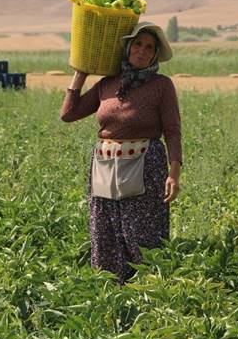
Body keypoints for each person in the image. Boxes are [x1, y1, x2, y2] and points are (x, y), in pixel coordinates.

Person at [61, 22, 182, 282]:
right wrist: (80, 75)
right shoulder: (108, 84)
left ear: (154, 55)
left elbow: (172, 130)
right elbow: (69, 114)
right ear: (128, 48)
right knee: (106, 229)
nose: (142, 50)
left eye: (149, 47)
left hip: (146, 164)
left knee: (142, 233)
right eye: (137, 44)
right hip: (105, 163)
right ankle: (110, 288)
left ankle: (149, 290)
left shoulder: (161, 85)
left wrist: (174, 172)